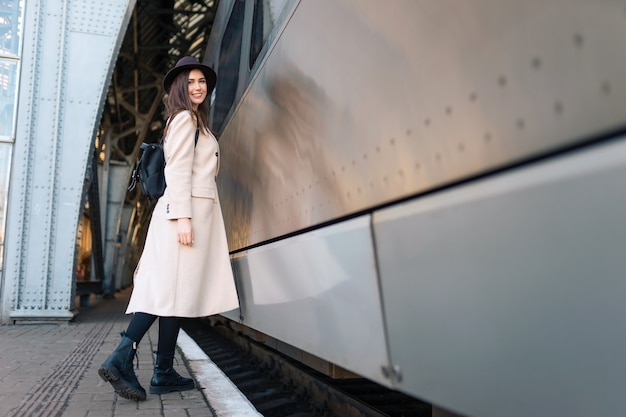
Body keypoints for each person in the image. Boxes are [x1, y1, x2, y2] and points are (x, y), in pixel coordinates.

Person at [98, 56, 239, 401]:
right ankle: (121, 358)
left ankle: (162, 371)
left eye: (202, 81)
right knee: (165, 291)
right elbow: (177, 171)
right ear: (179, 86)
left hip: (190, 215)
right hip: (182, 217)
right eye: (190, 81)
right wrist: (184, 218)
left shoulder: (196, 122)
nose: (197, 87)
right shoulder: (184, 120)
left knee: (176, 295)